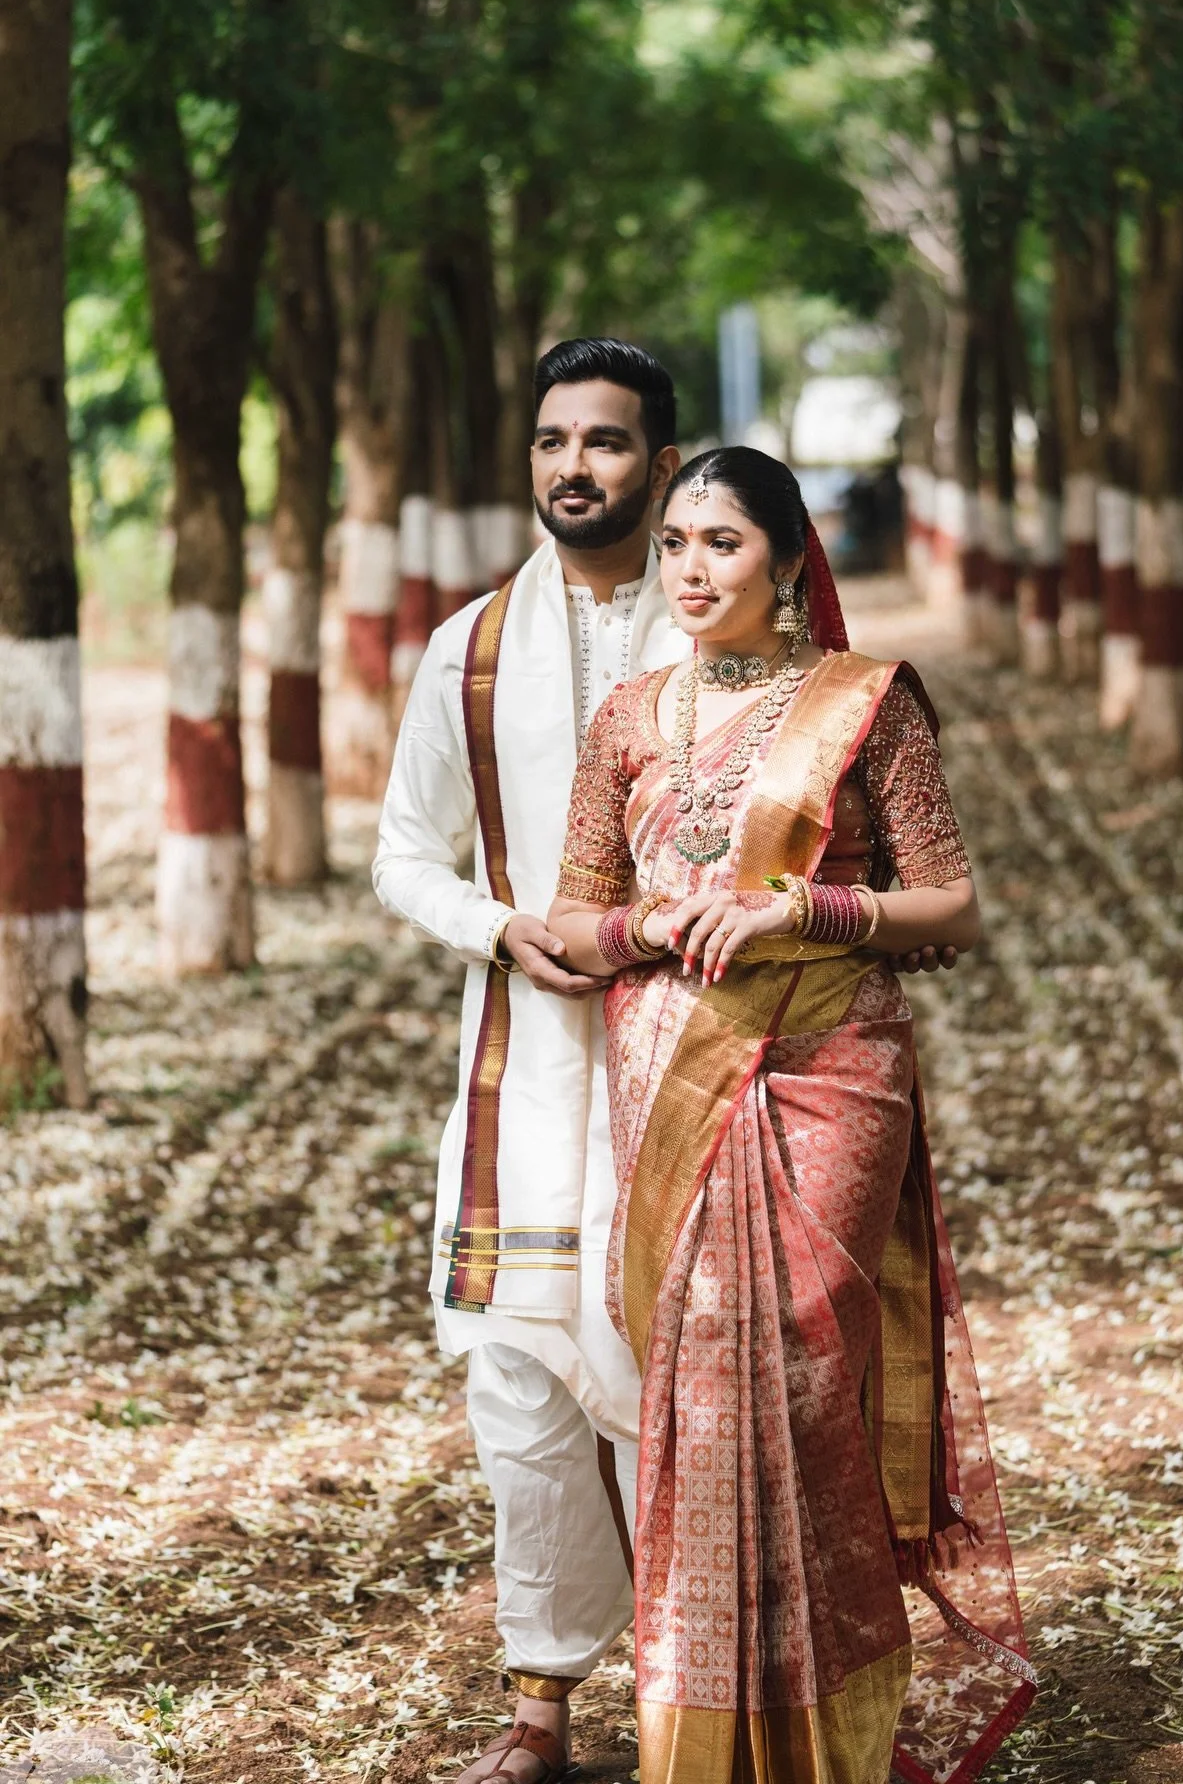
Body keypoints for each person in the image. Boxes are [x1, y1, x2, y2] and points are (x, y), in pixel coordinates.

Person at [548, 447, 1035, 1784]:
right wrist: (655, 922)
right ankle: (699, 1735)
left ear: (787, 558)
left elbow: (954, 904)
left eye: (724, 546)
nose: (693, 572)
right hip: (675, 1065)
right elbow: (571, 919)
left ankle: (833, 1740)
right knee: (693, 1400)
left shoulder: (863, 707)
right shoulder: (630, 719)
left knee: (811, 1388)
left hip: (831, 1063)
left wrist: (798, 908)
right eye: (674, 547)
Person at [374, 338, 687, 1784]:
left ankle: (702, 1700)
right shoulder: (471, 648)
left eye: (607, 443)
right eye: (556, 442)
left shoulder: (729, 635)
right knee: (521, 1377)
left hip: (696, 1053)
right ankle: (543, 1707)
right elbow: (401, 858)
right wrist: (505, 929)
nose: (576, 467)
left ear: (662, 463)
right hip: (526, 1054)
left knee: (680, 1370)